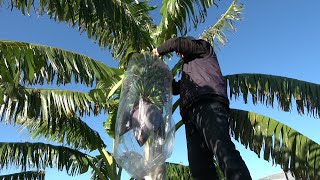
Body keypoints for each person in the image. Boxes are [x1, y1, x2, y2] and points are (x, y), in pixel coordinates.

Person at [152, 36, 252, 180]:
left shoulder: (203, 48)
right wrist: (160, 71)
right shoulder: (188, 72)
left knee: (222, 150)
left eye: (180, 51)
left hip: (208, 104)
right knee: (199, 167)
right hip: (190, 115)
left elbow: (177, 43)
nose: (178, 54)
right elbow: (176, 89)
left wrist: (157, 52)